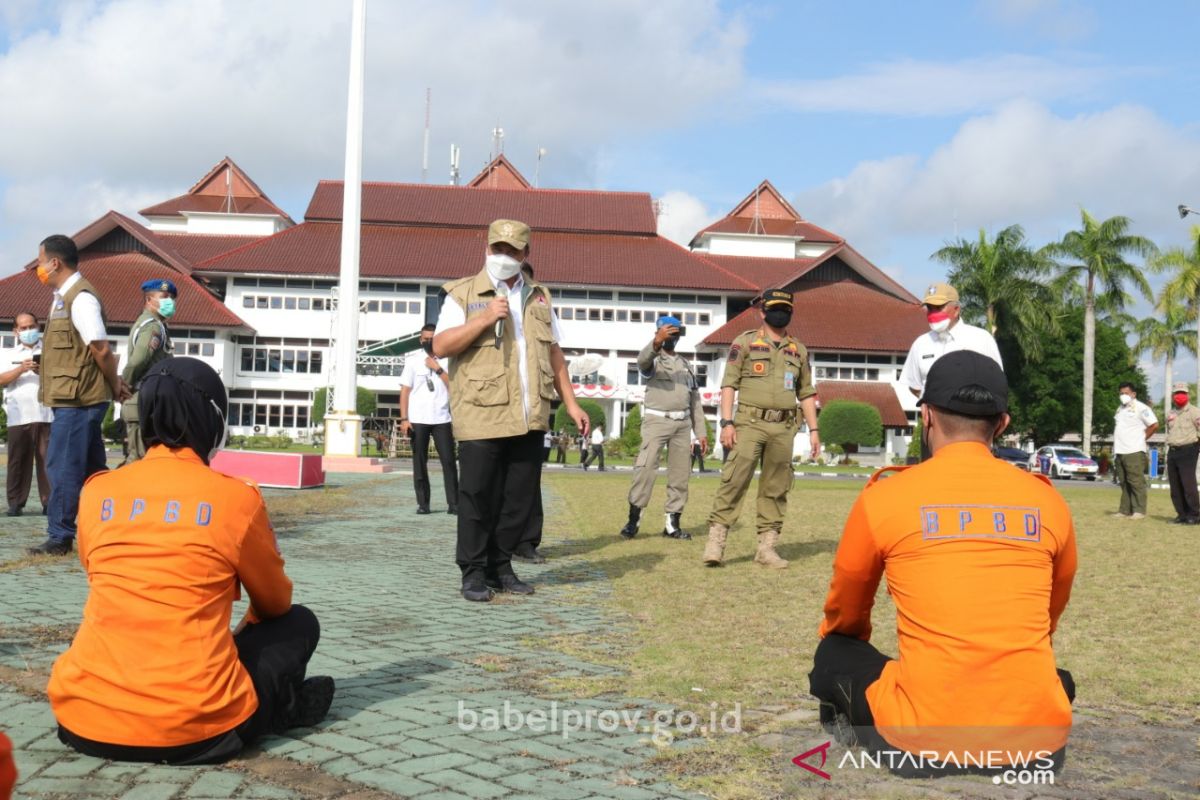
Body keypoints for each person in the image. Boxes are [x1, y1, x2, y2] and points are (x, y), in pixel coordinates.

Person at [47, 357, 333, 764]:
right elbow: (275, 604)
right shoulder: (236, 497)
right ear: (211, 419)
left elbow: (97, 573)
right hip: (192, 730)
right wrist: (235, 637)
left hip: (82, 720)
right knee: (299, 622)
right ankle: (278, 708)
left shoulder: (98, 490)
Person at [809, 351, 1076, 777]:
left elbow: (848, 607)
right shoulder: (1048, 500)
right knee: (1053, 676)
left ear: (927, 416)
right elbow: (1047, 616)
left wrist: (846, 649)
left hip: (920, 745)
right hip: (1036, 746)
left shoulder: (887, 496)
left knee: (835, 650)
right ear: (1002, 424)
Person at [433, 218, 589, 602]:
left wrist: (570, 402)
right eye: (497, 249)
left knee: (517, 499)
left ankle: (500, 567)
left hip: (530, 413)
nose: (503, 256)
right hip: (482, 412)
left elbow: (554, 352)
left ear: (525, 254)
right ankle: (472, 572)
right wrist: (485, 317)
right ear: (485, 248)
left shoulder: (539, 296)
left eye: (512, 251)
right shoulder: (462, 293)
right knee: (477, 496)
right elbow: (441, 346)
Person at [28, 235, 130, 556]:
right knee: (91, 470)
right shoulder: (63, 296)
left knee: (62, 467)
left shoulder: (81, 298)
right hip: (74, 397)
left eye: (41, 260)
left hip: (80, 400)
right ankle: (106, 528)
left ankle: (60, 536)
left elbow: (99, 347)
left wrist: (114, 385)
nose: (39, 267)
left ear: (55, 262)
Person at [703, 289, 819, 569]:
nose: (781, 313)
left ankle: (767, 549)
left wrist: (814, 430)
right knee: (734, 481)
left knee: (776, 488)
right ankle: (715, 544)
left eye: (786, 308)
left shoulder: (798, 350)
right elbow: (729, 384)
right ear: (762, 311)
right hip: (748, 424)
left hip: (783, 427)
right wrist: (726, 422)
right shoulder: (744, 343)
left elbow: (806, 393)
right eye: (775, 308)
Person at [619, 316, 707, 540]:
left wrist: (701, 433)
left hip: (682, 423)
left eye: (674, 333)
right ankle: (633, 520)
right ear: (658, 332)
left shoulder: (685, 365)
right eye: (667, 332)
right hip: (657, 421)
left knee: (680, 473)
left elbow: (695, 401)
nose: (671, 337)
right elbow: (641, 362)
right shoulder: (653, 358)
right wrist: (656, 342)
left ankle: (672, 524)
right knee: (646, 468)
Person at [900, 283, 1002, 460]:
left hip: (972, 430)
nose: (933, 312)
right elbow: (915, 385)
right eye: (929, 308)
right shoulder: (921, 344)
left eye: (938, 307)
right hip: (933, 429)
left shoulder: (980, 339)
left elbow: (996, 385)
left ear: (956, 309)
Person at [398, 324, 458, 515]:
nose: (428, 342)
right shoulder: (413, 361)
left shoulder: (448, 359)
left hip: (442, 418)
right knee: (419, 462)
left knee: (449, 462)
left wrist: (438, 369)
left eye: (432, 338)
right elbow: (405, 391)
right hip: (418, 419)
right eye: (425, 339)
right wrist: (404, 419)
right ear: (420, 340)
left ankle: (454, 504)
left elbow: (454, 387)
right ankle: (423, 504)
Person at [1, 312, 53, 516]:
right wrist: (21, 369)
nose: (28, 331)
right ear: (15, 331)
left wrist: (41, 370)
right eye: (23, 328)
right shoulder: (8, 353)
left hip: (47, 413)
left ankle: (49, 502)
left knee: (47, 460)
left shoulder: (49, 350)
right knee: (17, 461)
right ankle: (15, 503)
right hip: (18, 414)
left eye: (31, 326)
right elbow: (1, 379)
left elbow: (59, 377)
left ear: (38, 326)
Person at [120, 279, 177, 463]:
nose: (170, 302)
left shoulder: (155, 325)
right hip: (142, 399)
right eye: (165, 297)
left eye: (172, 298)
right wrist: (124, 386)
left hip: (147, 399)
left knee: (144, 460)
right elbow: (138, 361)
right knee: (138, 460)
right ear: (149, 300)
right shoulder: (152, 326)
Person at [1111, 381, 1158, 520]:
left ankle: (1139, 510)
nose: (1123, 396)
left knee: (1136, 481)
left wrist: (1143, 438)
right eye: (1121, 393)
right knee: (1124, 481)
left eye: (1126, 393)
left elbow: (1154, 425)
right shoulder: (1120, 409)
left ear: (1133, 394)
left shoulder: (1141, 408)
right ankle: (1125, 510)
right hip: (1120, 450)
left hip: (1134, 450)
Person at [1164, 382, 1200, 525]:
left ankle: (1195, 514)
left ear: (1188, 395)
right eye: (1177, 393)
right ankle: (1182, 514)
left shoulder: (1194, 412)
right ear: (1173, 396)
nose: (1180, 396)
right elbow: (1169, 431)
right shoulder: (1170, 414)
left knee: (1188, 483)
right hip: (1172, 450)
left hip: (1189, 449)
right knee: (1175, 485)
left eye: (1182, 393)